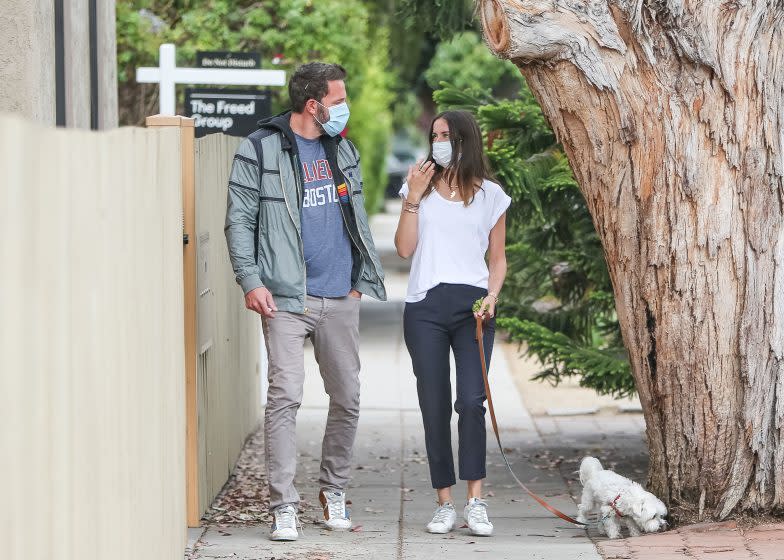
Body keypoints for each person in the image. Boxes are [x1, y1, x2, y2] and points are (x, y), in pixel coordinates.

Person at [224, 62, 386, 541]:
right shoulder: (260, 148)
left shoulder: (345, 150)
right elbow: (239, 219)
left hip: (340, 294)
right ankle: (283, 505)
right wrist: (251, 280)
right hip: (286, 298)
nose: (344, 109)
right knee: (285, 397)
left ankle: (333, 490)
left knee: (348, 398)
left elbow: (355, 216)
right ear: (313, 105)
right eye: (338, 101)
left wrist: (359, 280)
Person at [394, 110, 510, 537]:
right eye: (434, 135)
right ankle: (444, 502)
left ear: (465, 140)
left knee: (471, 403)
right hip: (425, 305)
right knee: (435, 405)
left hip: (473, 308)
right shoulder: (418, 189)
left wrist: (492, 298)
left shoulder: (492, 195)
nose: (439, 142)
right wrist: (413, 195)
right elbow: (404, 250)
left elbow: (497, 260)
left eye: (446, 135)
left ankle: (475, 501)